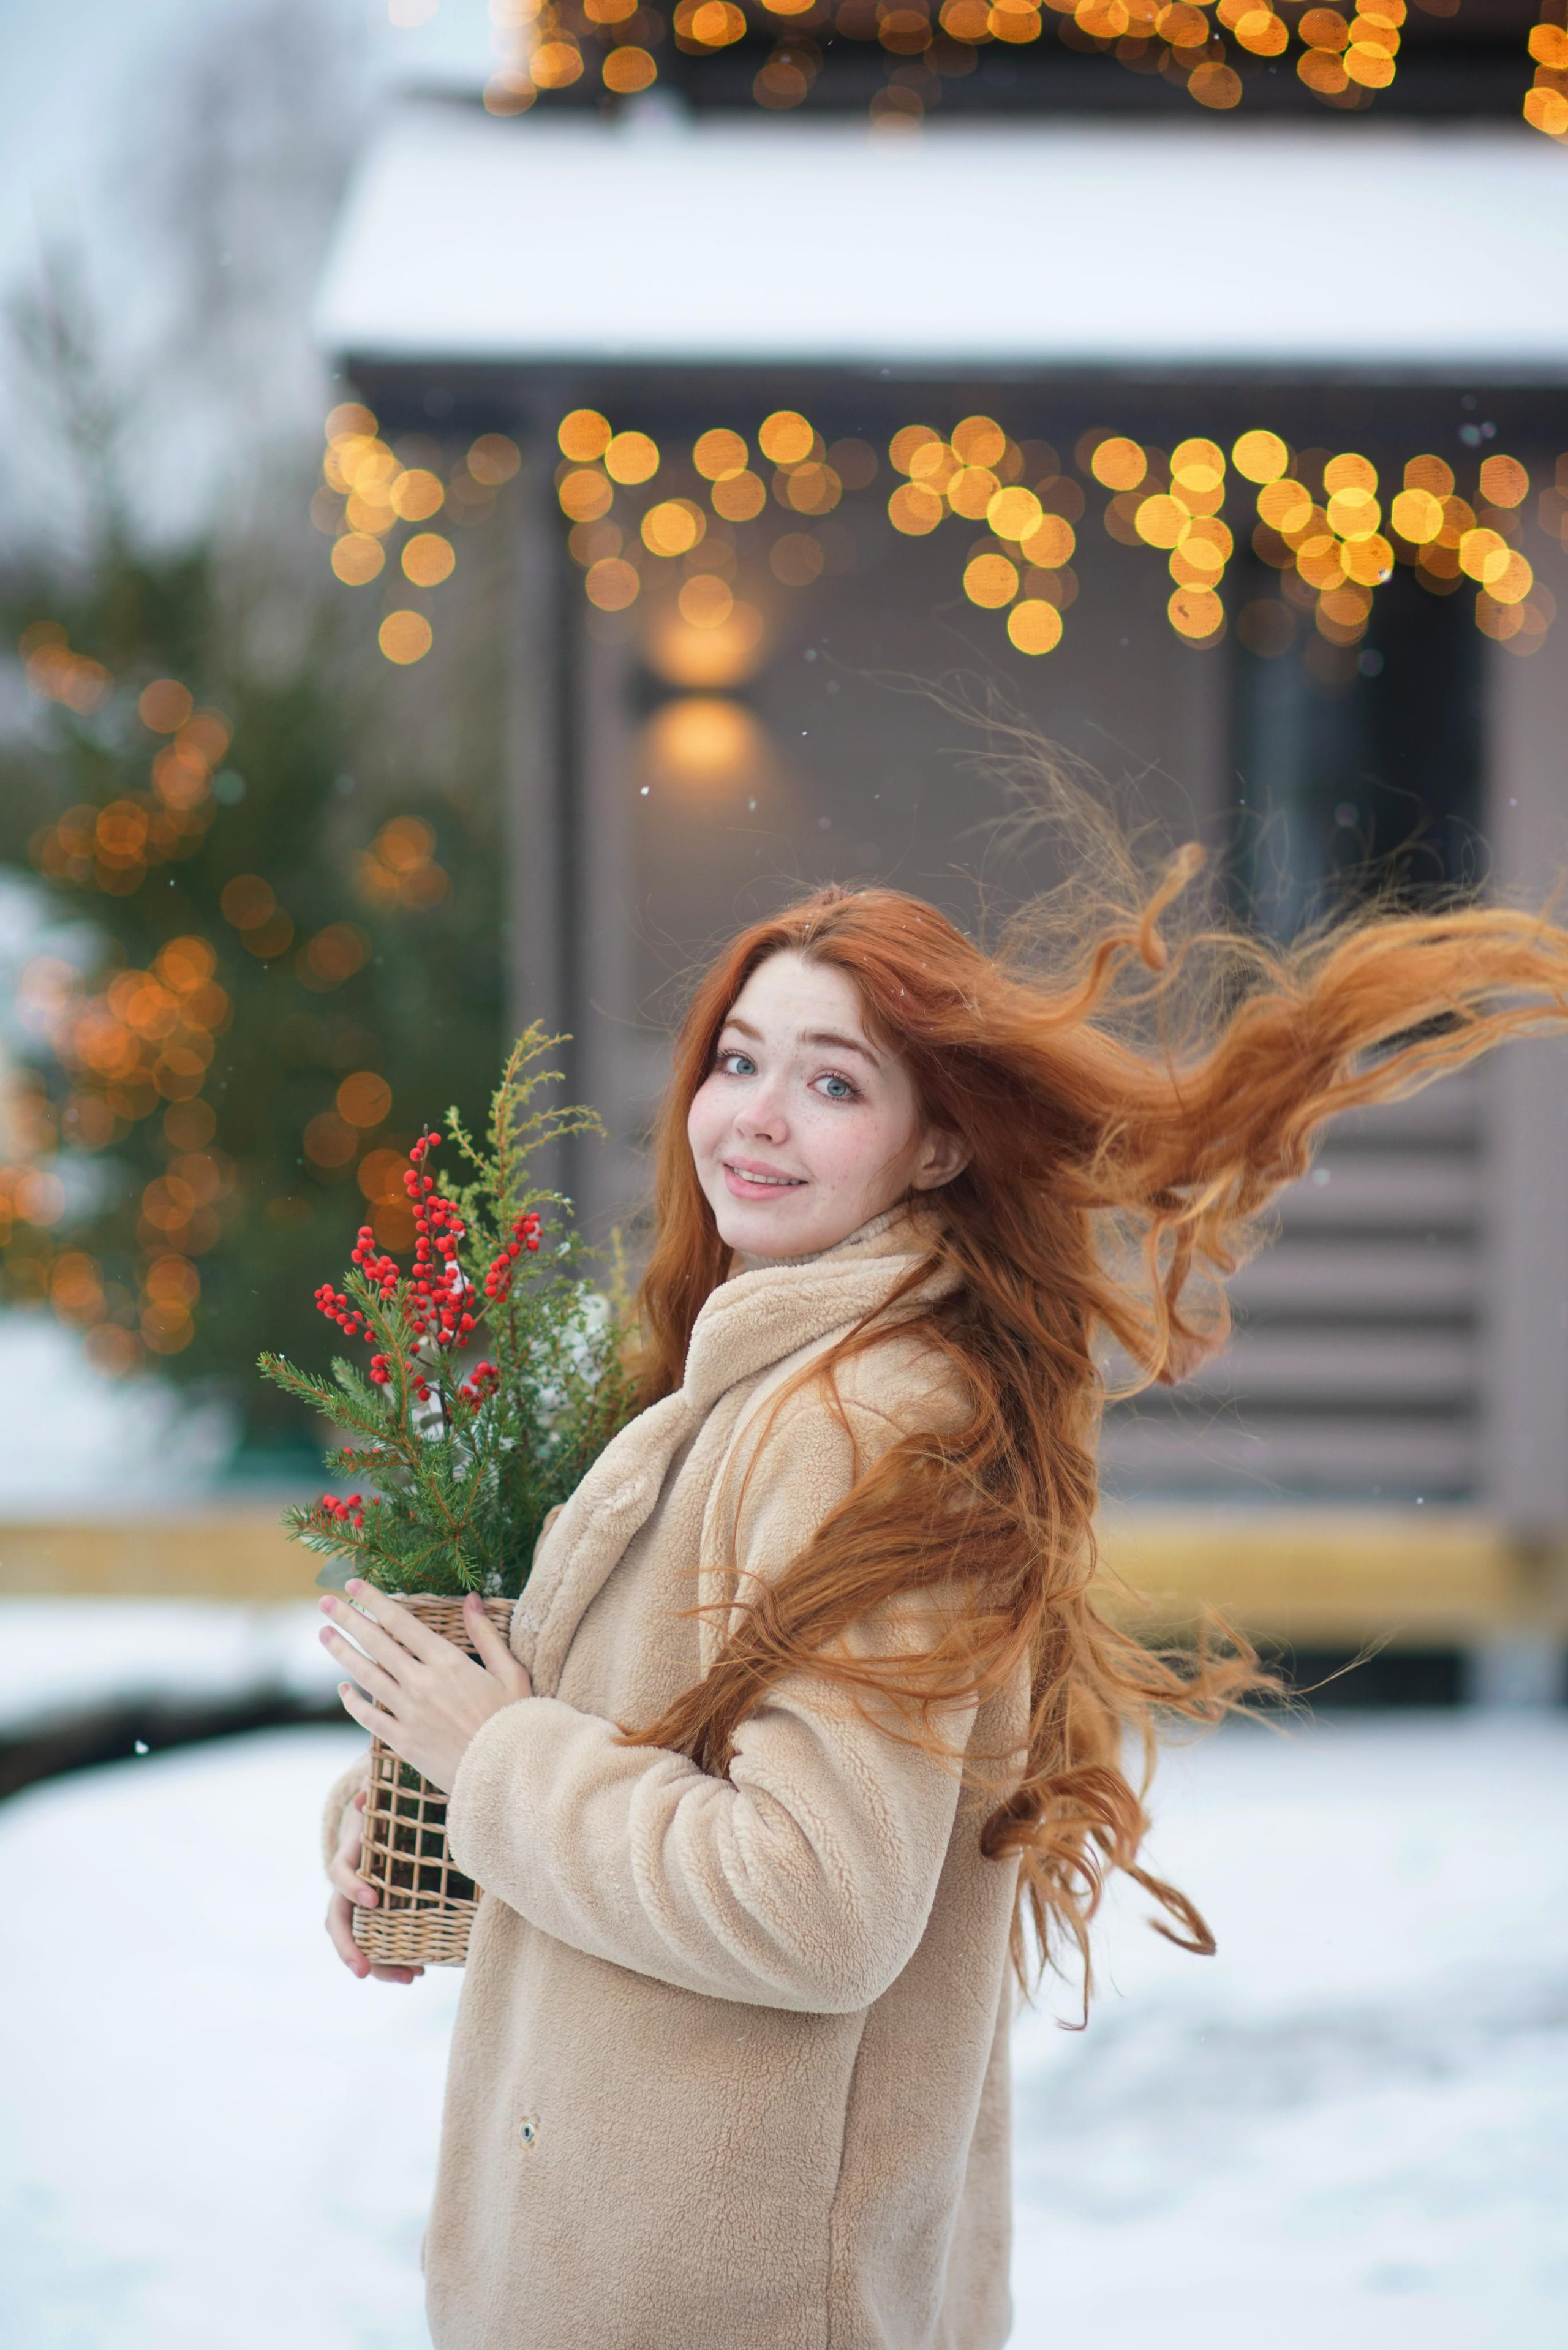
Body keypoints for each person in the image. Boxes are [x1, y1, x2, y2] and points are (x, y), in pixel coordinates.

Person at [316, 866, 1568, 2349]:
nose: (756, 1115)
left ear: (934, 1150)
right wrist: (430, 1825)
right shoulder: (741, 1389)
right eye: (738, 1059)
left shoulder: (867, 1422)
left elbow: (813, 1902)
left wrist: (502, 1761)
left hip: (733, 2306)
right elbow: (631, 1750)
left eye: (831, 1081)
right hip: (612, 2269)